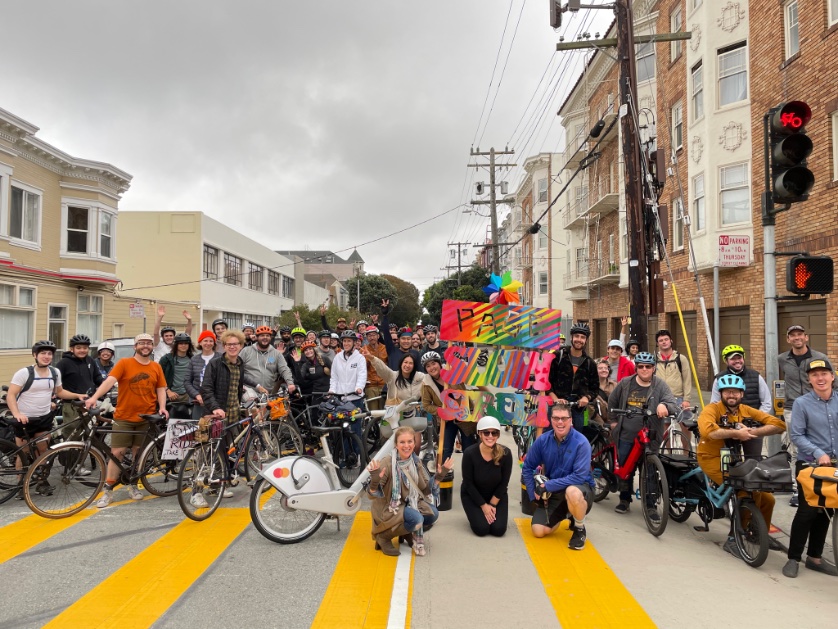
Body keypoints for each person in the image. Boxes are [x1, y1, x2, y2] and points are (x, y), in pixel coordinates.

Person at [696, 374, 786, 559]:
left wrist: (751, 432)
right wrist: (737, 434)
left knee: (768, 498)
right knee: (743, 490)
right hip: (710, 457)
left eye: (735, 392)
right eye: (727, 391)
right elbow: (708, 432)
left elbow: (778, 424)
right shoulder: (711, 410)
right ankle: (732, 539)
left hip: (734, 459)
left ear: (742, 394)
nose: (732, 395)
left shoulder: (745, 410)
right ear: (721, 393)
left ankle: (759, 533)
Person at [85, 334, 168, 507]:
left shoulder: (156, 367)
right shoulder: (124, 363)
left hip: (146, 417)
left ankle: (133, 484)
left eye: (148, 343)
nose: (145, 346)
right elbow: (109, 381)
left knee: (139, 453)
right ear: (135, 346)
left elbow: (161, 388)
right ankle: (108, 489)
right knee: (117, 453)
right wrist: (94, 397)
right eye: (142, 343)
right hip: (124, 416)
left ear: (152, 346)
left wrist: (162, 406)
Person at [7, 341, 87, 497]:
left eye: (49, 354)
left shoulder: (54, 372)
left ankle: (41, 482)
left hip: (44, 418)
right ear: (35, 355)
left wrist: (77, 395)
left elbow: (60, 392)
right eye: (43, 353)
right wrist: (17, 414)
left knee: (42, 451)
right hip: (24, 419)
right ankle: (20, 484)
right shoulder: (24, 373)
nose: (46, 356)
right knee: (23, 454)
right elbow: (11, 395)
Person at [783, 359, 838, 578]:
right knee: (807, 512)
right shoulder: (801, 403)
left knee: (827, 510)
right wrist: (819, 453)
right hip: (810, 465)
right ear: (810, 380)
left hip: (834, 466)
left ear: (832, 376)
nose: (820, 378)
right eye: (815, 375)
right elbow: (796, 435)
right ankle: (793, 558)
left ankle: (815, 558)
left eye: (824, 373)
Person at [608, 351, 678, 515]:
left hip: (651, 435)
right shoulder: (626, 383)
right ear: (636, 368)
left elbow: (673, 404)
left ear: (654, 368)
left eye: (648, 367)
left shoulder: (660, 385)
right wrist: (613, 422)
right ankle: (624, 499)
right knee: (626, 469)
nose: (645, 369)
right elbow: (612, 401)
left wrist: (665, 406)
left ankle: (650, 505)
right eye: (641, 367)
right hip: (626, 435)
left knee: (650, 472)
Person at [522, 403, 594, 549]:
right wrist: (532, 493)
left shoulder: (581, 443)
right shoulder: (543, 440)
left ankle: (579, 528)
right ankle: (567, 513)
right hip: (554, 491)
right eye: (556, 418)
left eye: (564, 418)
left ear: (571, 420)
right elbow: (527, 467)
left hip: (581, 489)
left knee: (572, 492)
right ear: (551, 420)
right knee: (538, 531)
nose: (560, 422)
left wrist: (546, 485)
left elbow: (578, 477)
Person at [366, 426, 447, 556]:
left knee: (433, 514)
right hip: (388, 508)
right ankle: (383, 537)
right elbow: (371, 495)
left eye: (410, 441)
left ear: (414, 443)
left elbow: (424, 490)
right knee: (417, 519)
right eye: (402, 442)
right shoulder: (387, 463)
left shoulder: (415, 461)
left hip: (408, 504)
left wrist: (439, 476)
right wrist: (375, 480)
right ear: (396, 445)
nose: (406, 446)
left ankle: (406, 532)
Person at [199, 329, 260, 500]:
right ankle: (197, 490)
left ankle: (218, 484)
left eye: (235, 344)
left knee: (224, 451)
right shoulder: (216, 363)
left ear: (241, 346)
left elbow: (239, 385)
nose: (232, 347)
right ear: (223, 346)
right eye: (228, 344)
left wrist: (253, 395)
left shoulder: (239, 363)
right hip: (215, 415)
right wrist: (215, 408)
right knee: (209, 454)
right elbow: (206, 389)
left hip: (232, 415)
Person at [778, 324, 831, 506]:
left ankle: (826, 483)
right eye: (793, 335)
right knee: (795, 450)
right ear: (788, 339)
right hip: (793, 408)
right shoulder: (782, 359)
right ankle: (797, 489)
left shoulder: (820, 358)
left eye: (800, 334)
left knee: (823, 445)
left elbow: (832, 381)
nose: (797, 338)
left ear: (806, 337)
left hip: (816, 407)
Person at [710, 344, 773, 459]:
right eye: (733, 359)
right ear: (726, 361)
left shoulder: (756, 376)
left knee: (754, 461)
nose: (737, 361)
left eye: (739, 358)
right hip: (729, 428)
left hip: (753, 427)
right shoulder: (719, 379)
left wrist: (755, 419)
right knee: (730, 462)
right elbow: (714, 404)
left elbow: (767, 402)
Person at [460, 416, 513, 537]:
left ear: (498, 435)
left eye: (494, 433)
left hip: (496, 496)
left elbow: (504, 483)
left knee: (498, 530)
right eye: (486, 432)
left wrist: (492, 504)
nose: (490, 436)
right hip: (473, 496)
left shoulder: (506, 453)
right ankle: (476, 514)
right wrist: (483, 506)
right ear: (479, 433)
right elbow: (468, 483)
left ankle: (485, 513)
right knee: (481, 529)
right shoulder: (469, 453)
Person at [420, 351, 476, 462]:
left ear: (439, 363)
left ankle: (469, 475)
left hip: (464, 415)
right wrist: (441, 410)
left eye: (433, 363)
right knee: (445, 449)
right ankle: (443, 475)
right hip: (447, 420)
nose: (432, 367)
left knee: (469, 448)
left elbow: (468, 374)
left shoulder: (452, 371)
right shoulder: (426, 383)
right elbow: (426, 405)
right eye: (428, 366)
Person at [361, 348, 424, 441]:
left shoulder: (419, 377)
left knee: (416, 443)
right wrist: (371, 358)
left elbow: (431, 379)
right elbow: (382, 368)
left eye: (411, 363)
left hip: (411, 415)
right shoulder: (392, 376)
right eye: (405, 362)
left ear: (414, 366)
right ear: (401, 363)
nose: (407, 365)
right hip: (394, 417)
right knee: (393, 445)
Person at [547, 322, 598, 434]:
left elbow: (595, 388)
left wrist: (587, 398)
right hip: (556, 405)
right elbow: (546, 381)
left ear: (586, 340)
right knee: (549, 435)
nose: (579, 340)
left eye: (583, 337)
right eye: (577, 336)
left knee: (580, 436)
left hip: (579, 409)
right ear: (571, 337)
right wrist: (555, 399)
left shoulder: (590, 363)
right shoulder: (558, 356)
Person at [57, 334, 105, 442]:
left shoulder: (90, 360)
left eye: (85, 348)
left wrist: (107, 384)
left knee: (91, 433)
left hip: (90, 403)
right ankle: (69, 458)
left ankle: (93, 456)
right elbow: (56, 384)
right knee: (73, 434)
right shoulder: (63, 363)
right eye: (78, 348)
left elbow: (97, 378)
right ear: (71, 349)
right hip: (72, 405)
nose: (82, 350)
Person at [328, 330, 368, 441]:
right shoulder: (337, 358)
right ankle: (345, 456)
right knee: (343, 430)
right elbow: (334, 377)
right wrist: (332, 390)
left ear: (354, 343)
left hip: (355, 398)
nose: (346, 343)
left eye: (349, 341)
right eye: (344, 341)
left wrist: (359, 388)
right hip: (341, 399)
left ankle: (358, 456)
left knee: (355, 430)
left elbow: (362, 375)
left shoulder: (360, 358)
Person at [240, 325, 296, 394]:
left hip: (268, 393)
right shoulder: (246, 351)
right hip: (248, 392)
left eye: (267, 335)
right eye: (262, 335)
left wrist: (290, 383)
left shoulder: (276, 354)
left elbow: (284, 369)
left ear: (270, 337)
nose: (265, 338)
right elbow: (237, 369)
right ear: (257, 337)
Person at [185, 330, 221, 419]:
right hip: (198, 401)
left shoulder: (221, 358)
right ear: (200, 342)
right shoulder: (194, 359)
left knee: (216, 429)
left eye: (211, 341)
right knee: (198, 428)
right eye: (205, 340)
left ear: (214, 343)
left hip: (216, 401)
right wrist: (196, 395)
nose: (208, 343)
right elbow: (187, 381)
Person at [380, 299, 423, 372]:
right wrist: (385, 315)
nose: (406, 341)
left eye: (408, 339)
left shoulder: (416, 354)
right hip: (393, 383)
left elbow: (421, 373)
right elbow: (386, 332)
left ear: (411, 340)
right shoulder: (392, 351)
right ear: (399, 340)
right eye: (403, 339)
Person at [654, 329, 693, 410]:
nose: (664, 342)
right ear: (657, 344)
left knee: (683, 422)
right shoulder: (653, 359)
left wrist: (686, 400)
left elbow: (687, 380)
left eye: (666, 339)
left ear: (671, 341)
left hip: (677, 398)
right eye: (661, 341)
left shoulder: (681, 358)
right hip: (658, 398)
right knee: (662, 422)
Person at [159, 332, 194, 418]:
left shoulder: (193, 359)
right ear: (176, 345)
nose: (183, 345)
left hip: (188, 396)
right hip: (171, 396)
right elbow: (159, 377)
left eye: (186, 343)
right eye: (181, 343)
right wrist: (168, 391)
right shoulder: (166, 359)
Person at [362, 326, 388, 412]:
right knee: (373, 413)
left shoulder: (385, 348)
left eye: (373, 335)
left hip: (384, 384)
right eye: (369, 336)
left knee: (385, 412)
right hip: (371, 385)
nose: (372, 337)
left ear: (378, 336)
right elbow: (362, 367)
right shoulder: (364, 350)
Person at [594, 358, 616, 426]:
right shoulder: (589, 387)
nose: (604, 370)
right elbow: (588, 410)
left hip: (613, 422)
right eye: (600, 368)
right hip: (596, 423)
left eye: (606, 368)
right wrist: (602, 426)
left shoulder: (615, 385)